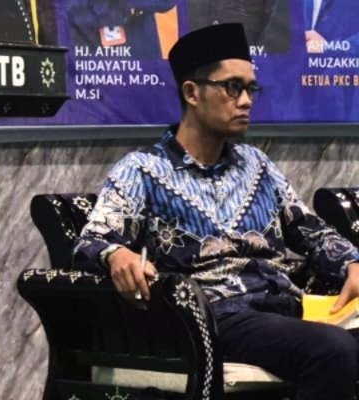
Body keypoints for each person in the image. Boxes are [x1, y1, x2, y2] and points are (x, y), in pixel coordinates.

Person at [73, 22, 359, 400]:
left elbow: (310, 230)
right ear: (192, 92)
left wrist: (352, 263)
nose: (246, 101)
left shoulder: (257, 166)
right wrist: (117, 255)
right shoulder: (142, 170)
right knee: (332, 350)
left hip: (286, 310)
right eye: (233, 87)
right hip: (215, 317)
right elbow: (91, 241)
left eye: (251, 88)